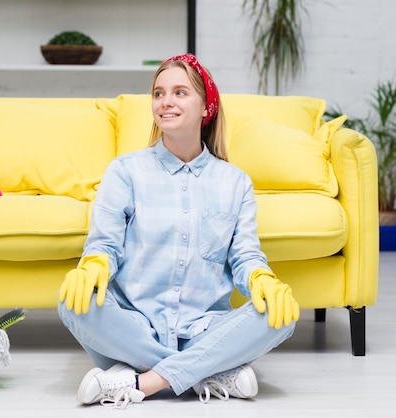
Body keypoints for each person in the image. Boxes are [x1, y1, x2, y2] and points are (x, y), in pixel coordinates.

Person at [57, 53, 300, 409]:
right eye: (158, 93)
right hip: (134, 325)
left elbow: (244, 256)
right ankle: (212, 371)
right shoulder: (125, 172)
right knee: (70, 303)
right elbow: (104, 245)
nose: (165, 101)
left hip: (204, 329)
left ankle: (140, 380)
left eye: (179, 92)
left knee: (282, 315)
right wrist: (94, 264)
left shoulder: (235, 183)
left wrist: (261, 277)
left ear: (206, 107)